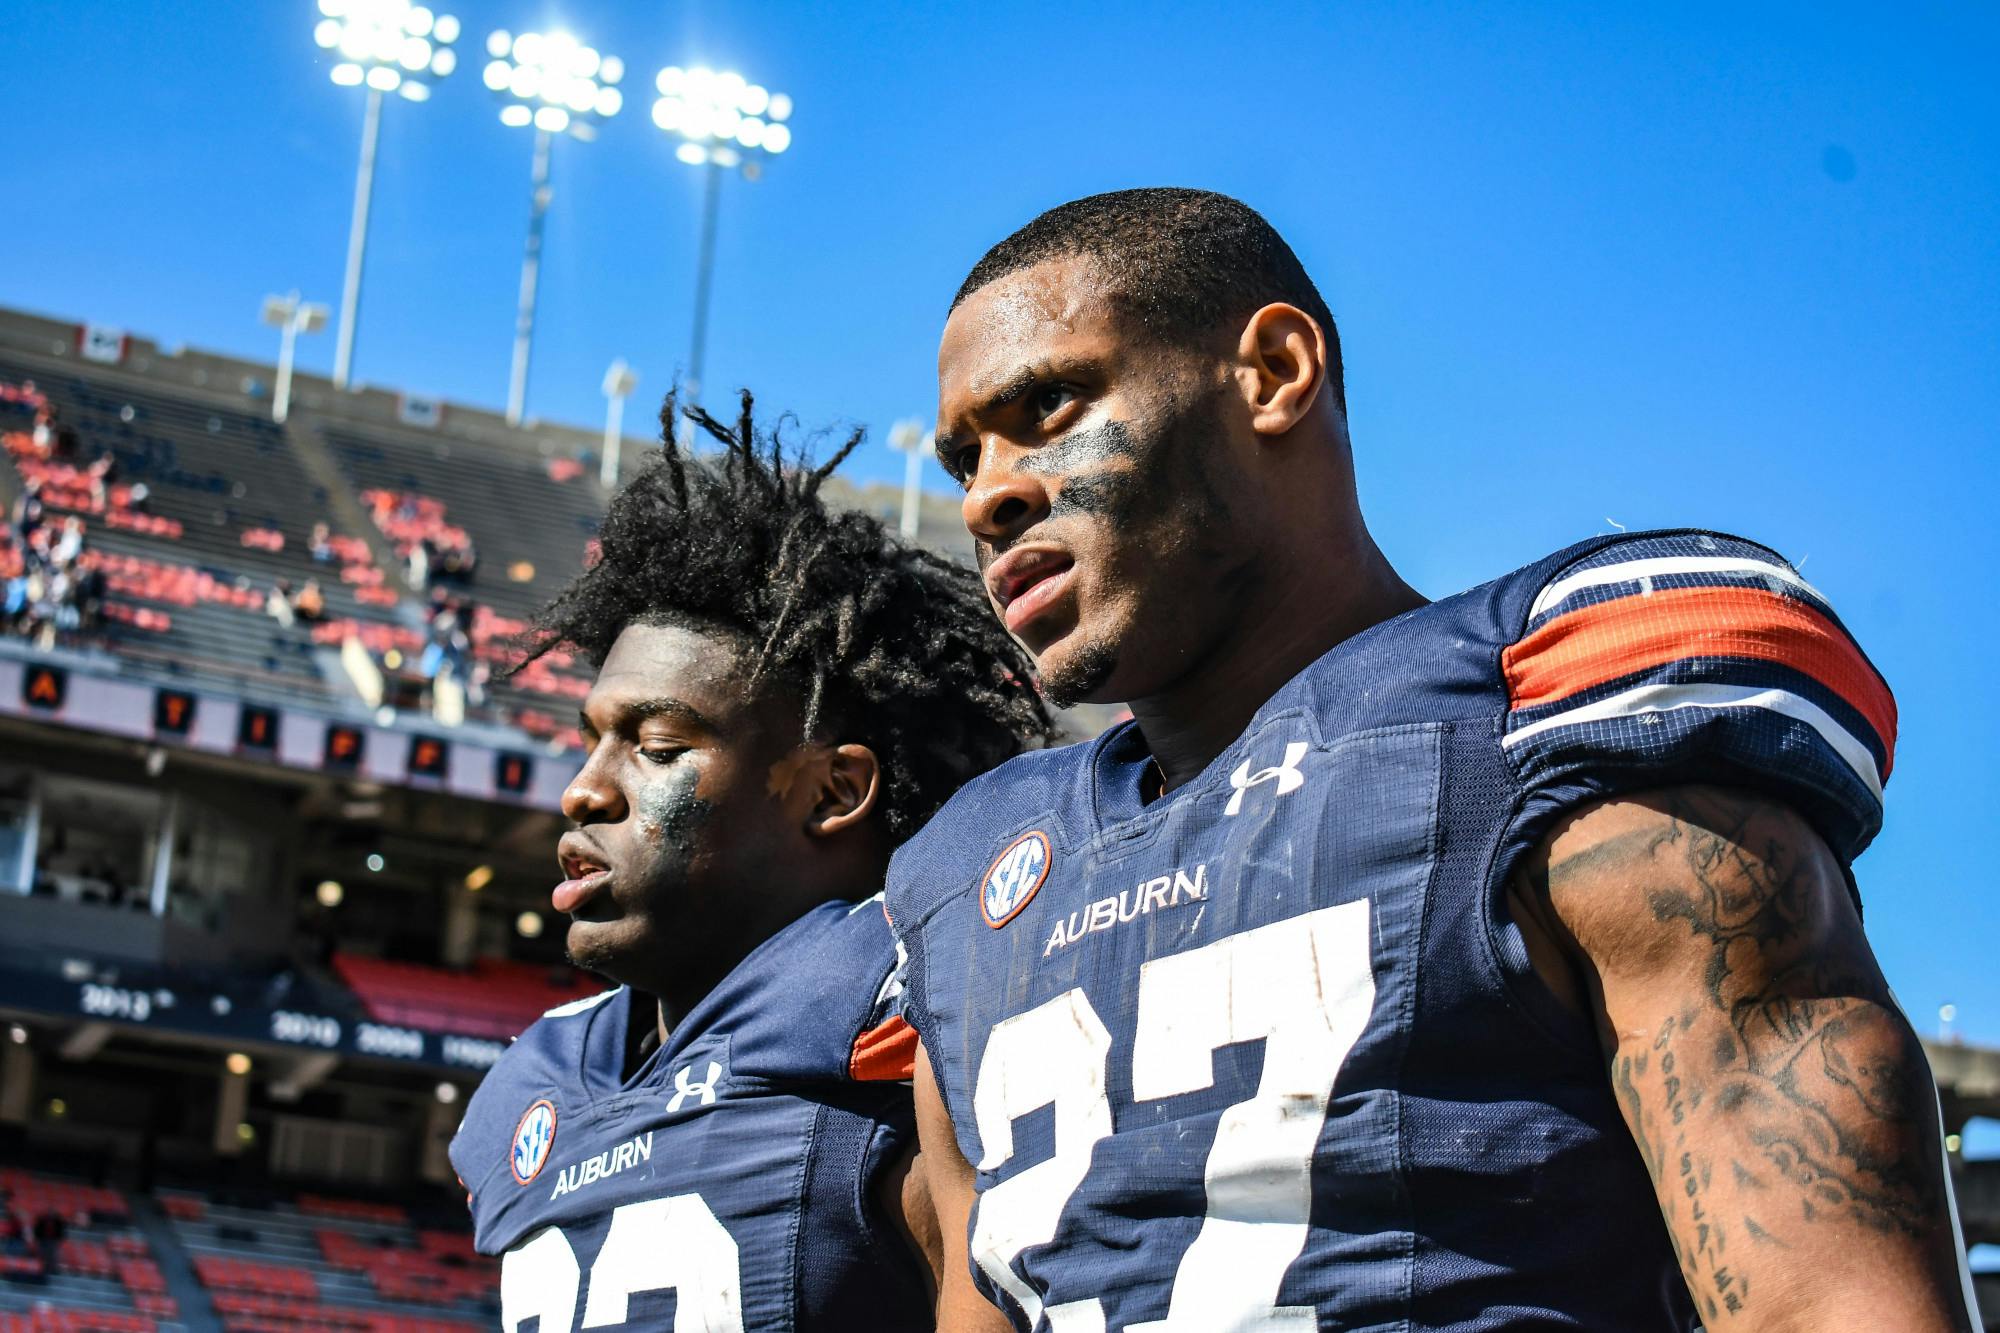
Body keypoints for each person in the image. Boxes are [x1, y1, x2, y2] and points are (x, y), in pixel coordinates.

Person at [888, 189, 1977, 1332]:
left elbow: (1823, 1298)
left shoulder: (1539, 707)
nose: (987, 494)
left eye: (1048, 406)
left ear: (1271, 372)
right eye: (963, 458)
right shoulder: (969, 882)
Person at [448, 393, 1054, 1331]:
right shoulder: (534, 1083)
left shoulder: (917, 1023)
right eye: (592, 739)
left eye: (657, 746)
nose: (584, 790)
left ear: (831, 791)